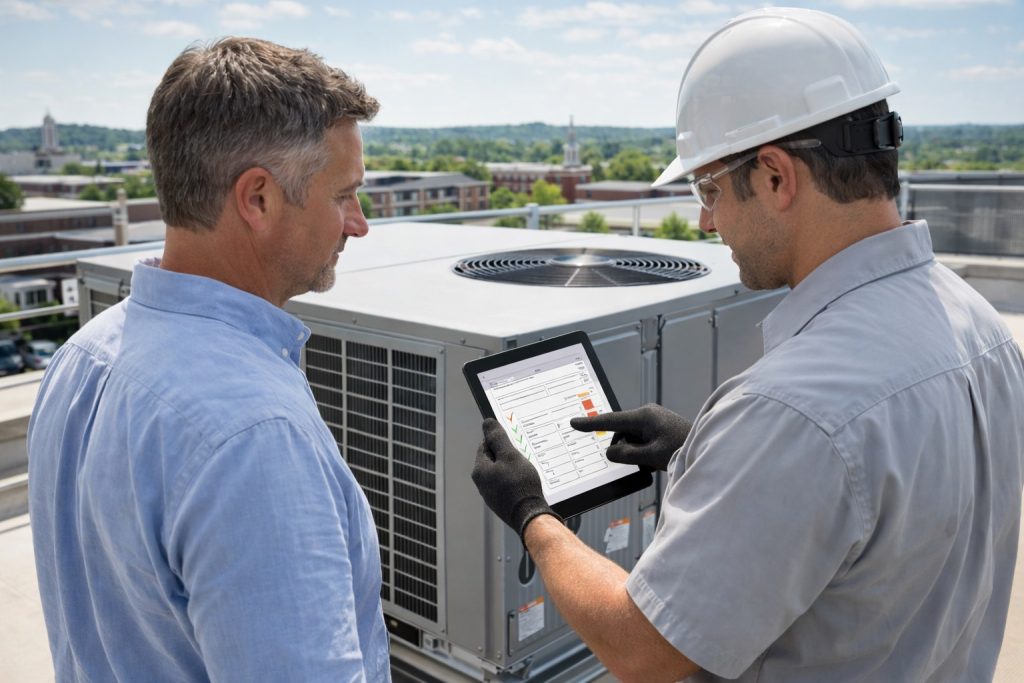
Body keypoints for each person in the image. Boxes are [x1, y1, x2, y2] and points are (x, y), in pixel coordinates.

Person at [472, 8, 1024, 682]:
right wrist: (703, 449)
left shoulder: (790, 411)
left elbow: (643, 647)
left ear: (774, 176)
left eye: (708, 187)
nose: (706, 219)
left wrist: (531, 511)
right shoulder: (982, 326)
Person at [28, 38, 390, 681]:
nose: (358, 224)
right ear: (257, 199)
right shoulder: (255, 436)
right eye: (343, 196)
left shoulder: (80, 358)